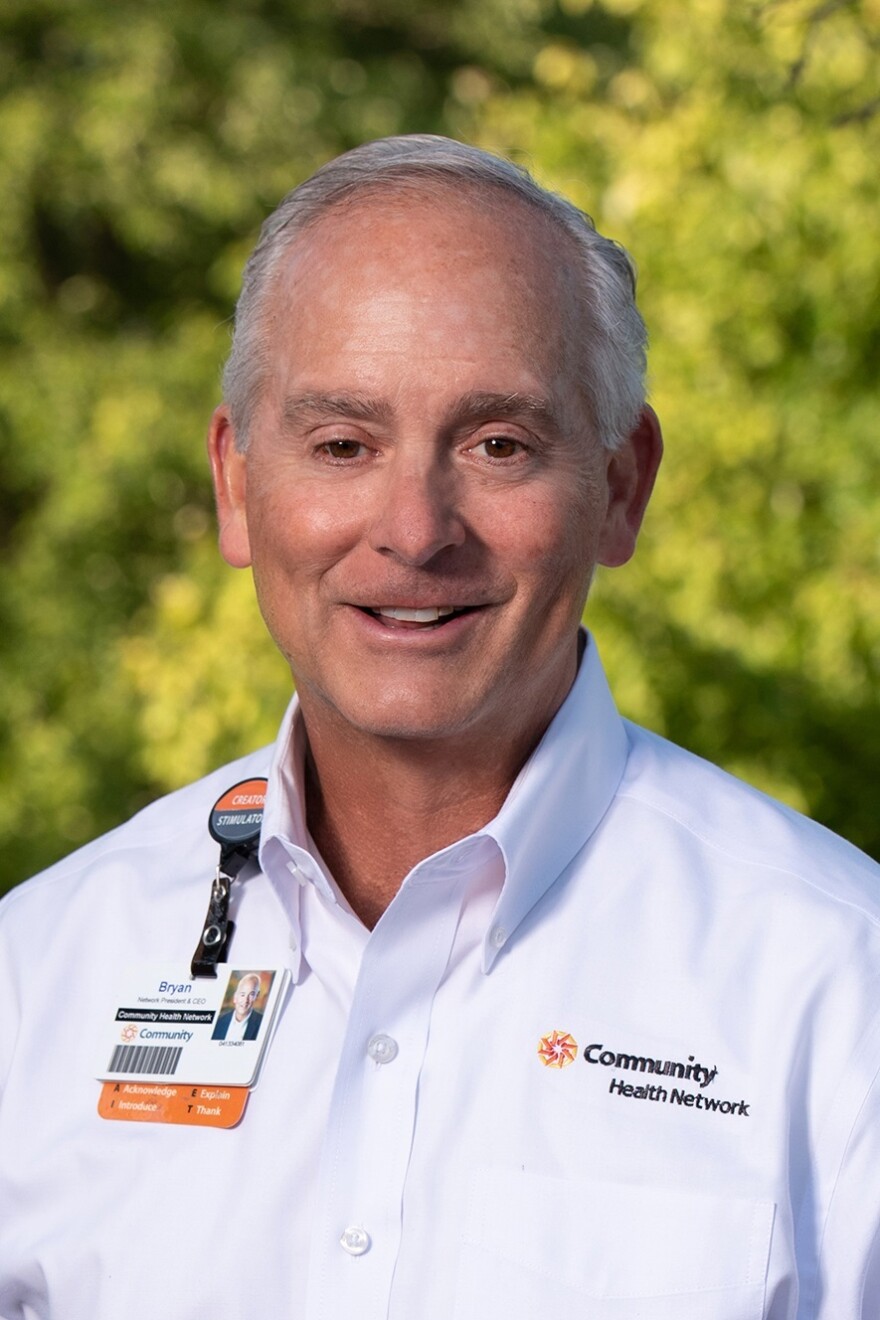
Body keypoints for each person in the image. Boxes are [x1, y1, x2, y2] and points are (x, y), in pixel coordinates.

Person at [1, 135, 878, 1320]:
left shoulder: (838, 988)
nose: (414, 529)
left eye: (496, 444)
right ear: (236, 485)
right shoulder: (37, 977)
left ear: (621, 487)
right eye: (342, 444)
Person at [211, 972, 265, 1041]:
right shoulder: (219, 1022)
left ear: (256, 996)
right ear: (235, 997)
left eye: (251, 994)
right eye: (242, 994)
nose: (246, 1000)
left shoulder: (263, 1023)